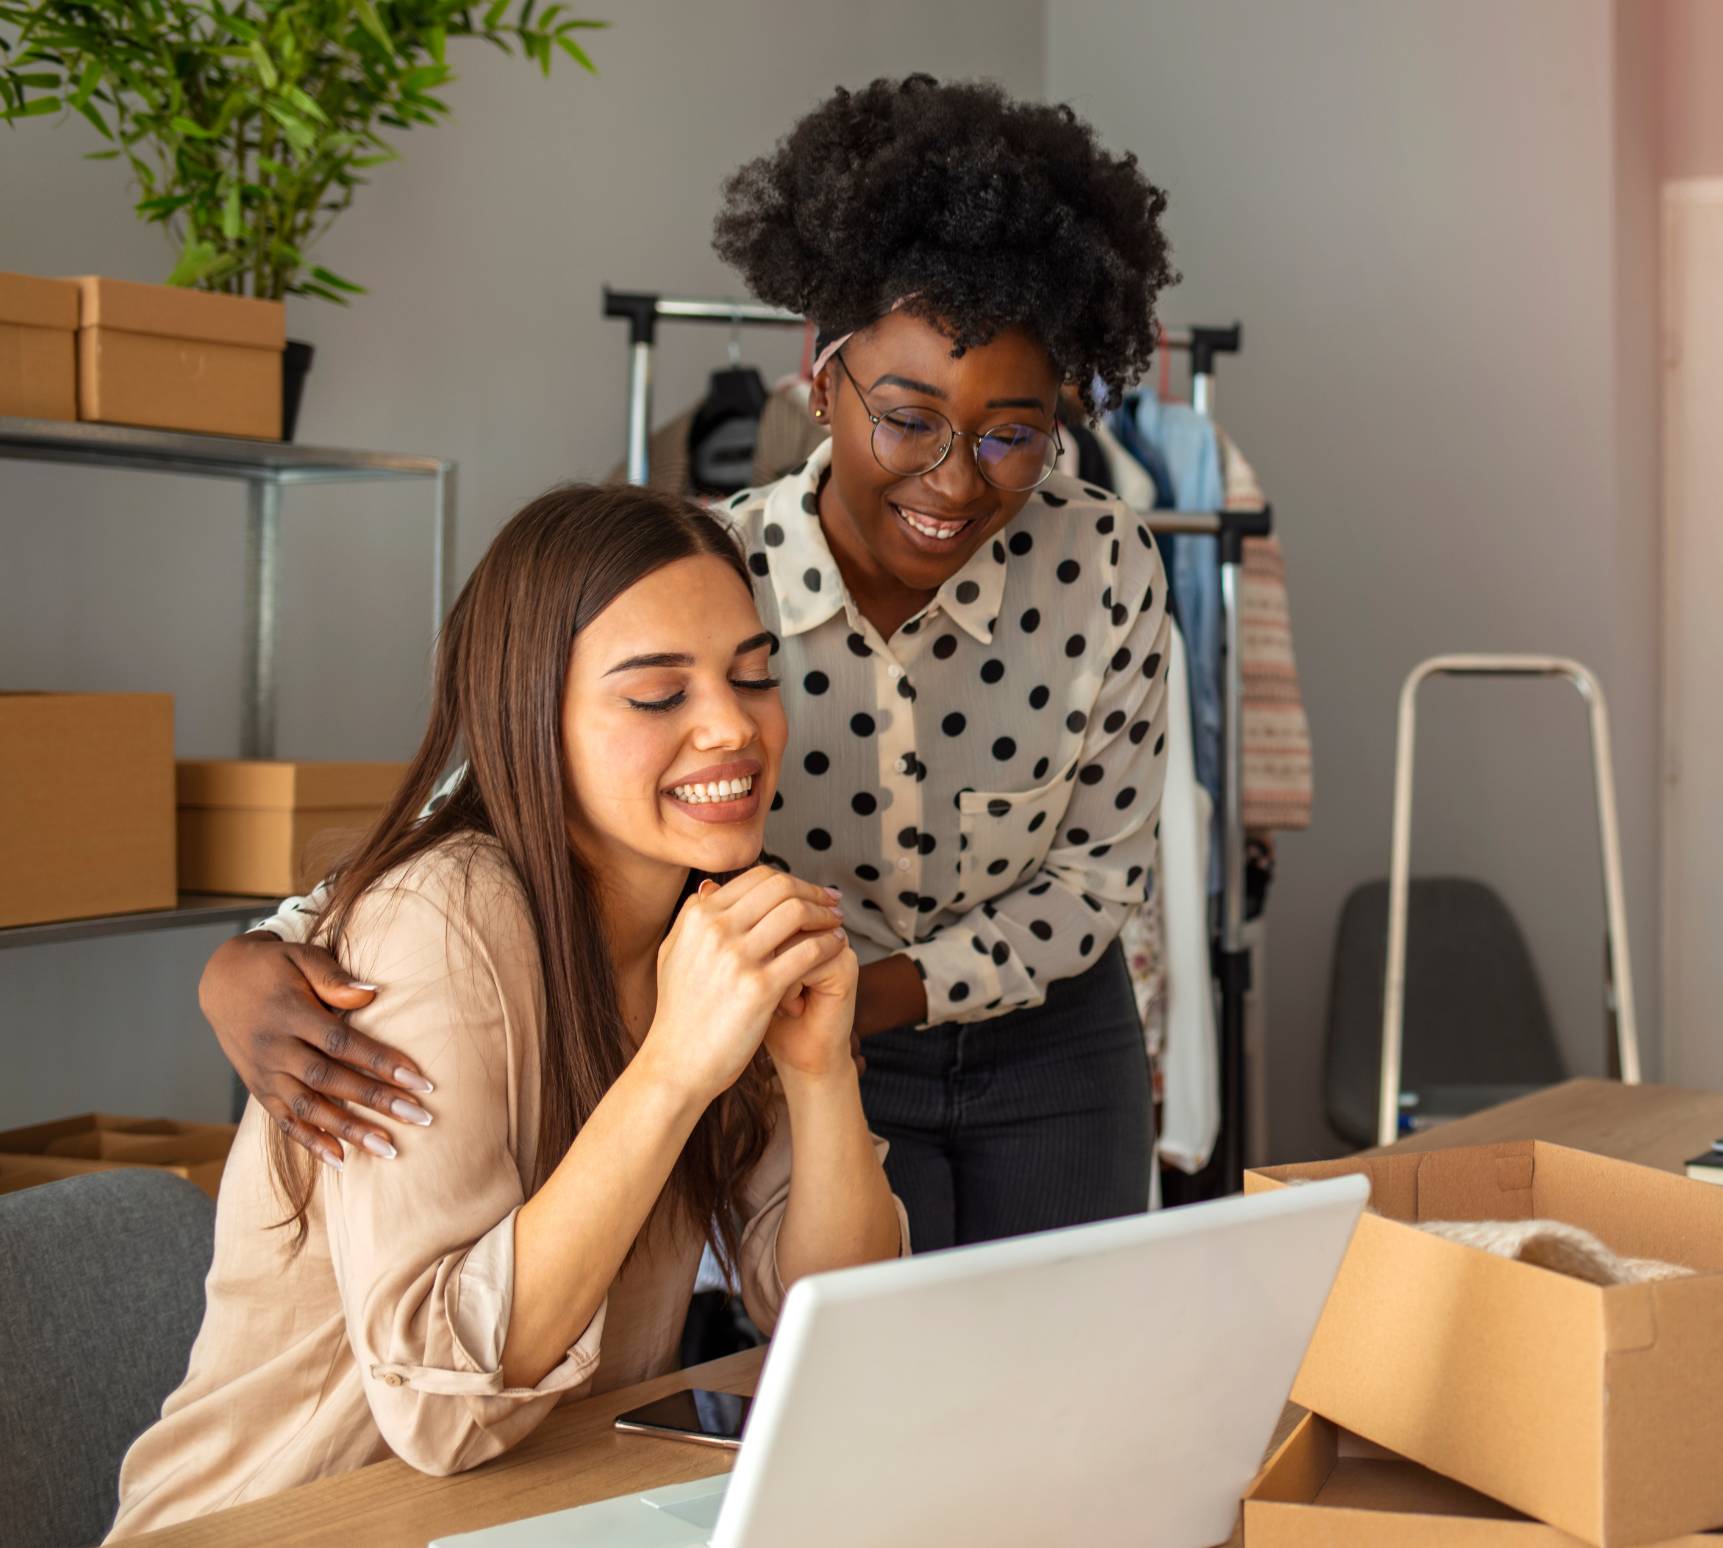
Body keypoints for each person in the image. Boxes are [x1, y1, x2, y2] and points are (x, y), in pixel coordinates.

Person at [195, 74, 1181, 1252]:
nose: (957, 479)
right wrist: (257, 956)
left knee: (1069, 1373)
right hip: (798, 1051)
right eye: (908, 418)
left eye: (1012, 433)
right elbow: (519, 787)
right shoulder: (717, 575)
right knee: (832, 1389)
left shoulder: (1103, 562)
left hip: (1046, 1040)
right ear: (819, 376)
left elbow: (1093, 876)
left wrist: (872, 993)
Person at [110, 486, 906, 1537]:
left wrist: (818, 1074)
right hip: (286, 1523)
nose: (732, 727)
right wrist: (671, 1069)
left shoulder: (708, 925)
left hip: (541, 1512)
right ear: (532, 718)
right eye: (656, 696)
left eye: (751, 676)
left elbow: (832, 1326)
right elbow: (439, 1410)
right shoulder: (444, 921)